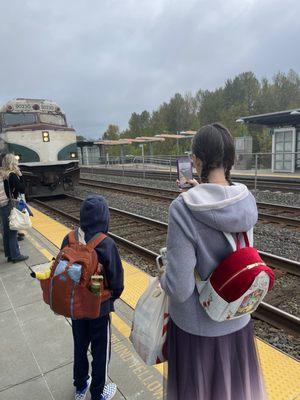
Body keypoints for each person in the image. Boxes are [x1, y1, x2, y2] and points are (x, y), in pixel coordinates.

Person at [160, 123, 266, 400]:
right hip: (238, 321)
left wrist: (163, 274)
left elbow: (180, 289)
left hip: (198, 332)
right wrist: (200, 189)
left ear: (195, 161)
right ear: (229, 159)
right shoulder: (246, 199)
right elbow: (219, 208)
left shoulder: (182, 209)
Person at [60, 195, 124, 400]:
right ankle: (98, 393)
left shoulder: (68, 238)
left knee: (80, 345)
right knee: (101, 351)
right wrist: (112, 298)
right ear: (104, 218)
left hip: (75, 306)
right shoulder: (106, 243)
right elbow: (117, 280)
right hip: (99, 308)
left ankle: (80, 386)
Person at [1, 154, 28, 263]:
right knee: (12, 231)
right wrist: (20, 175)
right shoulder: (11, 175)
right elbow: (22, 189)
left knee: (6, 232)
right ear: (12, 162)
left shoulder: (3, 175)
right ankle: (16, 256)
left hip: (2, 205)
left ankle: (9, 255)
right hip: (10, 204)